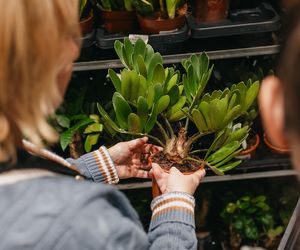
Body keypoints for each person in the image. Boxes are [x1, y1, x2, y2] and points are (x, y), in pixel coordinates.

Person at [0, 1, 206, 249]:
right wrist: (176, 204)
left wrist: (94, 167)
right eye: (66, 35)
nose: (73, 50)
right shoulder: (81, 222)